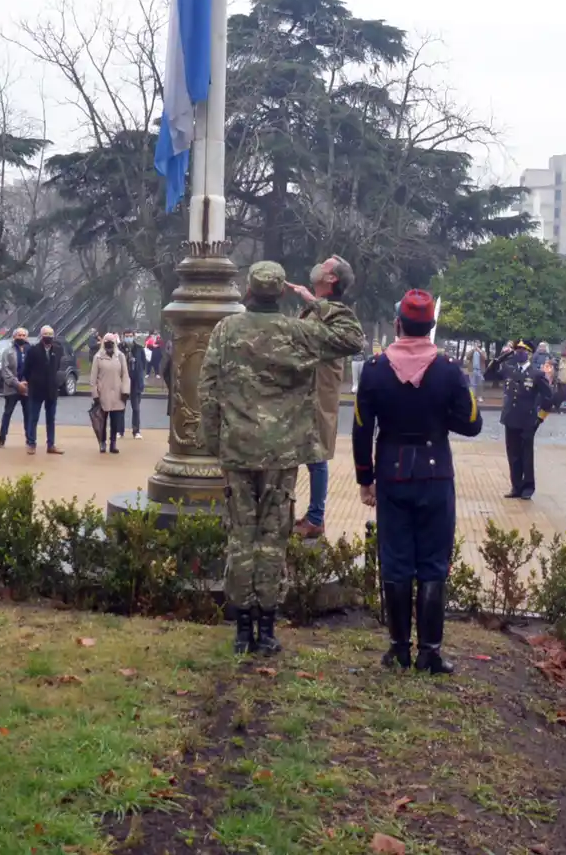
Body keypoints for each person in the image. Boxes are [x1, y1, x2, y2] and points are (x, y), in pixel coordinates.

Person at [198, 260, 364, 656]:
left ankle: (241, 630)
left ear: (250, 291)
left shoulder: (226, 330)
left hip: (238, 450)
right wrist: (317, 303)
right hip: (283, 452)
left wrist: (214, 442)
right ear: (279, 294)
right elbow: (353, 338)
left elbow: (207, 388)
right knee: (273, 540)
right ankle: (268, 629)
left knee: (241, 537)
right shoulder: (300, 332)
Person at [354, 289, 482, 674]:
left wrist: (365, 479)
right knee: (432, 563)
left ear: (398, 325)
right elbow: (472, 424)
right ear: (430, 327)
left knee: (395, 562)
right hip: (434, 473)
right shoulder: (447, 369)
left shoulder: (375, 369)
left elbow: (362, 430)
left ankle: (398, 650)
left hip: (392, 471)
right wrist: (442, 414)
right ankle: (430, 652)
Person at [295, 256, 356, 540]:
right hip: (303, 391)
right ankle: (302, 513)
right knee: (297, 452)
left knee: (317, 456)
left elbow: (352, 340)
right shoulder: (315, 309)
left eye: (325, 264)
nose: (318, 265)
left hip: (320, 393)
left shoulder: (338, 311)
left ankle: (316, 517)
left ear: (331, 279)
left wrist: (312, 301)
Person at [484, 341, 554, 499]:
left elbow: (549, 398)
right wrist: (497, 361)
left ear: (529, 353)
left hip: (528, 420)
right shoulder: (509, 370)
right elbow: (488, 376)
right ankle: (516, 486)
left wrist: (540, 418)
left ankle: (528, 487)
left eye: (522, 350)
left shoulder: (536, 374)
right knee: (513, 455)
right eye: (517, 350)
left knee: (526, 455)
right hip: (510, 418)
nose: (519, 352)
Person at [22, 326, 65, 454]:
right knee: (33, 417)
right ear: (41, 335)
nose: (48, 336)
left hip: (51, 389)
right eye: (46, 334)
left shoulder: (57, 349)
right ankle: (31, 443)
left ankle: (51, 445)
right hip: (36, 390)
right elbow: (26, 369)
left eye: (50, 334)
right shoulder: (33, 350)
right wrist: (33, 381)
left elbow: (57, 367)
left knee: (51, 418)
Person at [91, 332, 130, 454]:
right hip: (103, 393)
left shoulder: (120, 356)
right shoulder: (98, 357)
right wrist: (95, 395)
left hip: (117, 393)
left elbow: (125, 375)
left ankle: (113, 443)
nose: (109, 344)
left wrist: (125, 391)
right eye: (107, 342)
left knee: (115, 420)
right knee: (102, 420)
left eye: (111, 342)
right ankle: (102, 442)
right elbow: (93, 379)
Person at [0, 328, 32, 447]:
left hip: (27, 388)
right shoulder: (8, 351)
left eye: (23, 335)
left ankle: (29, 439)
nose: (21, 337)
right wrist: (17, 384)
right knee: (7, 413)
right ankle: (2, 439)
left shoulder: (31, 351)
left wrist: (27, 383)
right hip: (12, 388)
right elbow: (5, 370)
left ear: (26, 337)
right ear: (14, 337)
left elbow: (35, 368)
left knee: (28, 415)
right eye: (18, 335)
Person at [121, 331, 147, 439]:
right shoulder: (119, 349)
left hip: (136, 382)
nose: (129, 338)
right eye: (126, 336)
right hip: (123, 382)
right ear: (123, 337)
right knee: (121, 408)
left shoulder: (139, 349)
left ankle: (136, 431)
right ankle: (119, 430)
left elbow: (144, 364)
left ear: (134, 336)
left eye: (130, 336)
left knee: (136, 408)